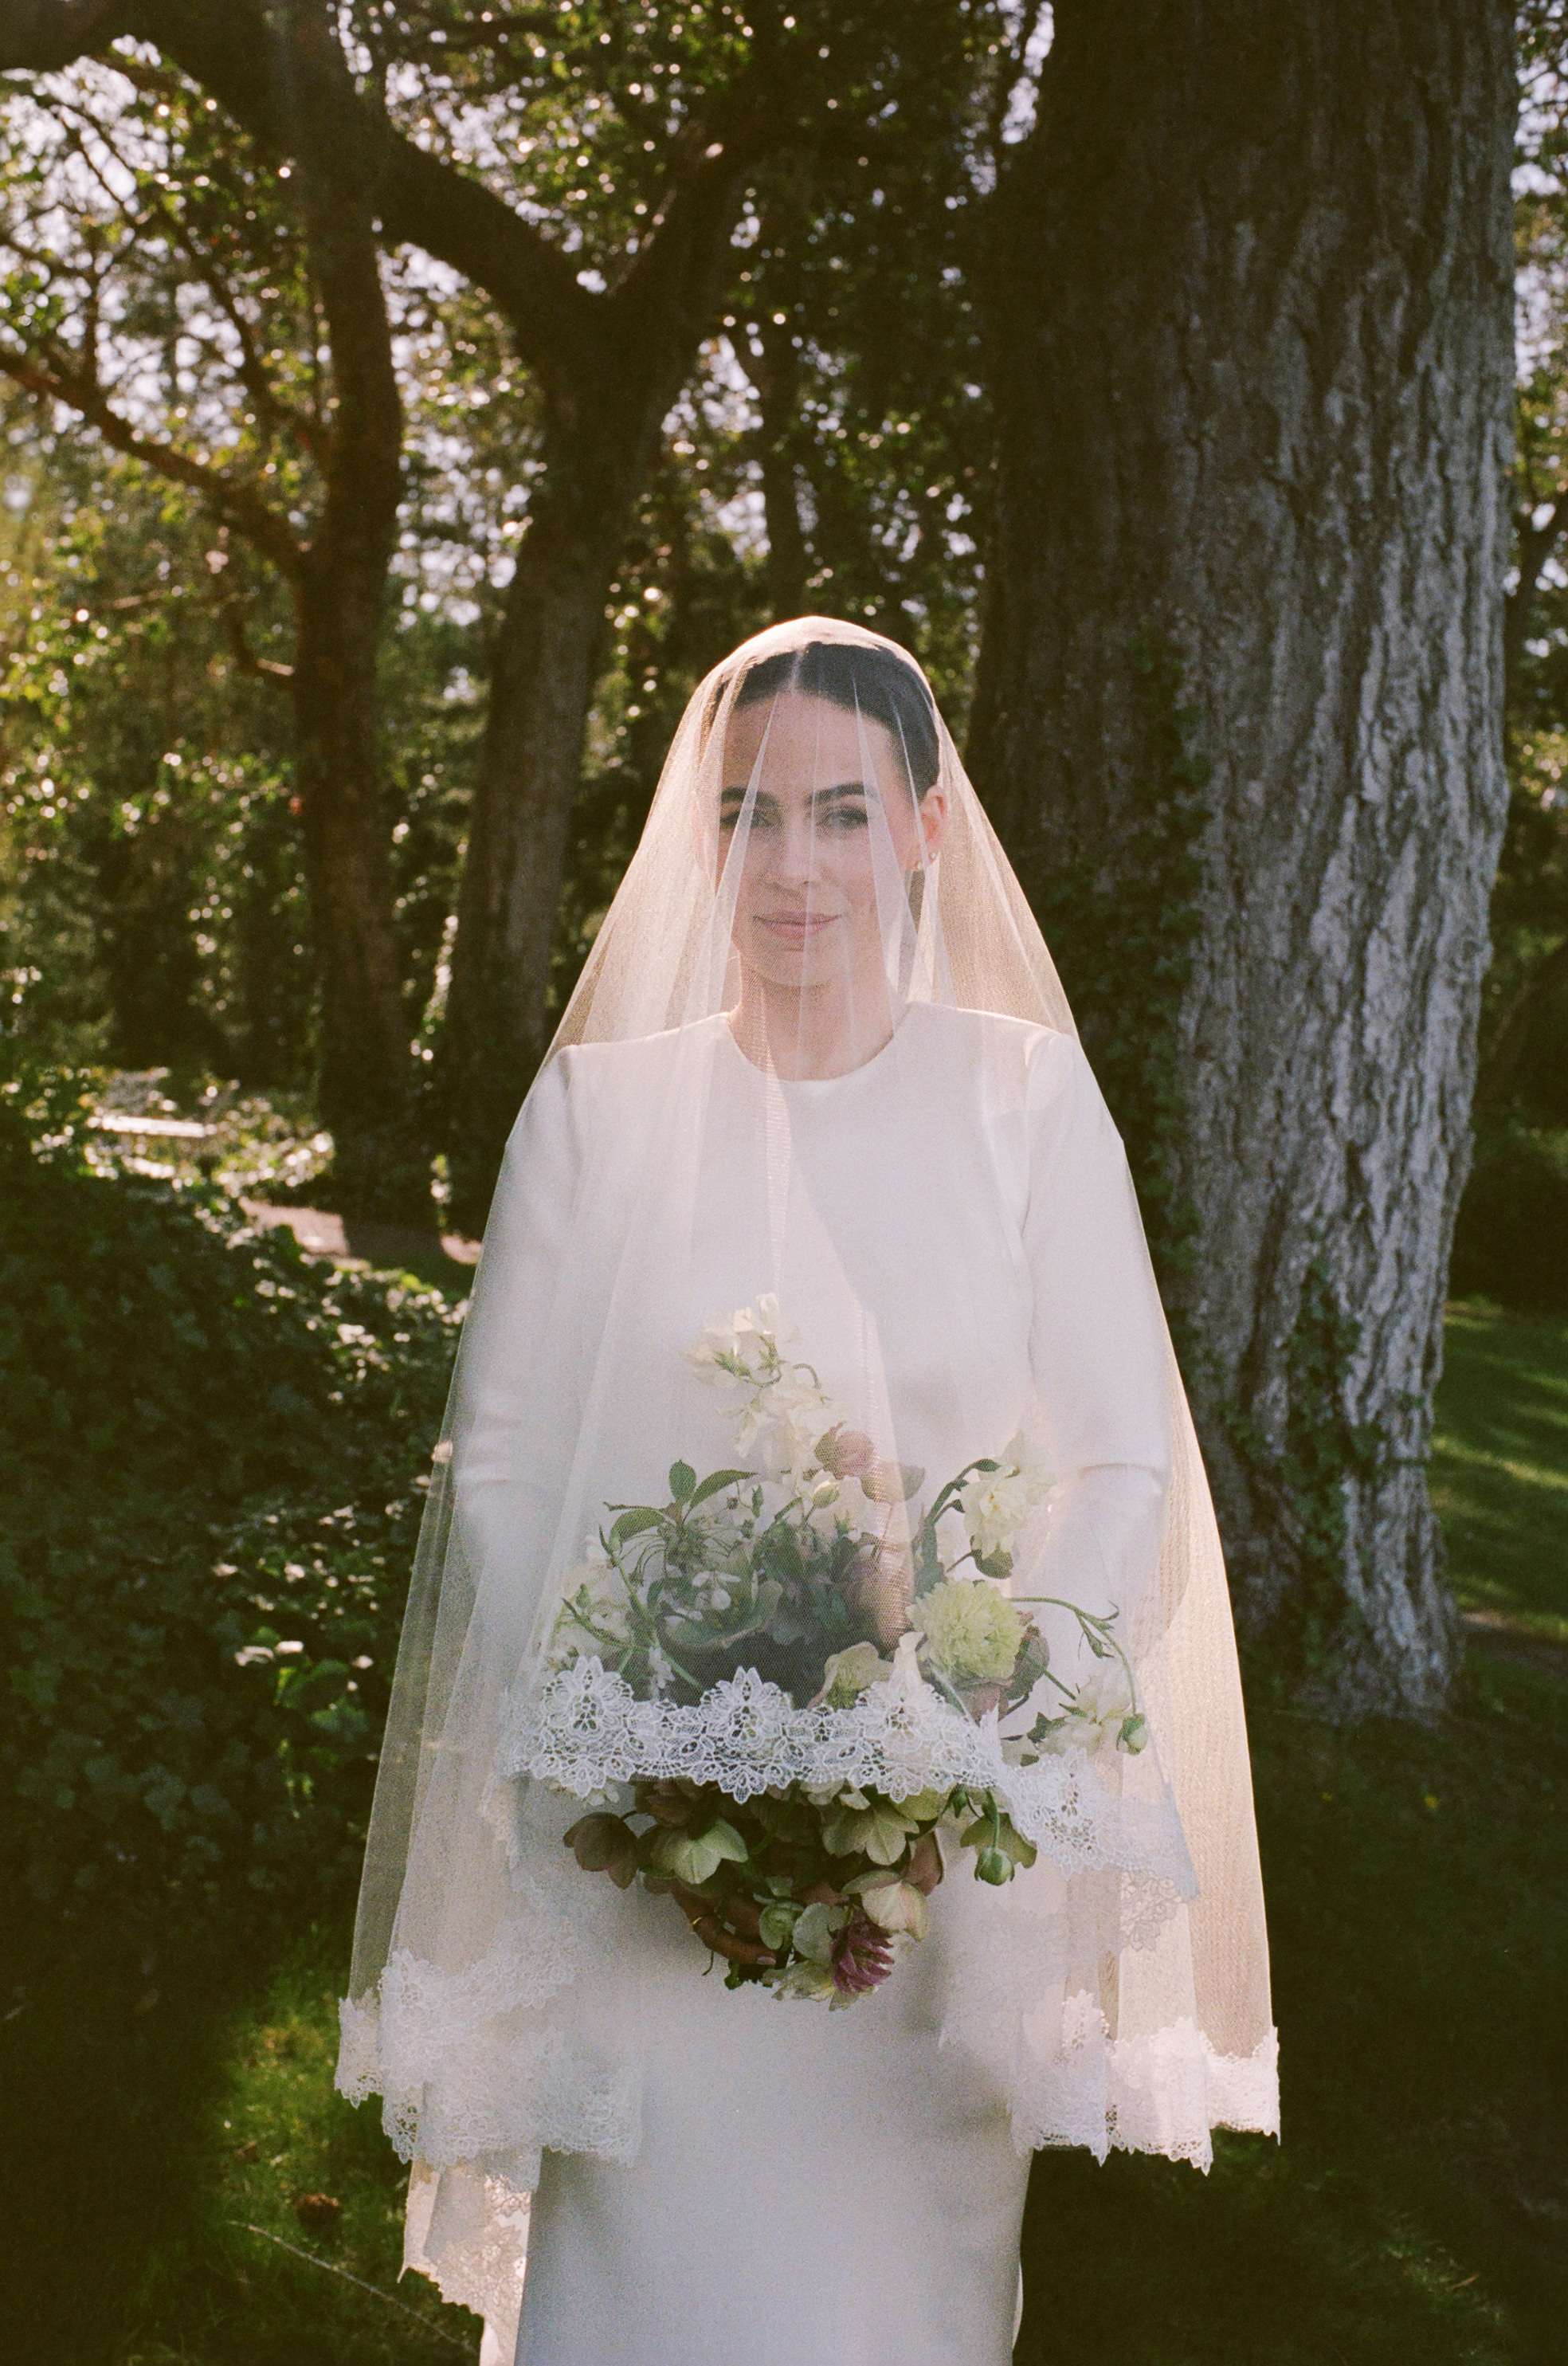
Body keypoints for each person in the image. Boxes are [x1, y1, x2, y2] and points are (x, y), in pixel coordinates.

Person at [335, 618, 1277, 2365]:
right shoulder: (595, 1117)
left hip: (932, 1901)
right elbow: (512, 1457)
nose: (792, 867)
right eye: (749, 814)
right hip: (648, 1868)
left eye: (842, 812)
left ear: (926, 825)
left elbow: (1118, 1454)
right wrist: (643, 1745)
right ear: (700, 839)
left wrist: (964, 1738)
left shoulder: (1022, 1102)